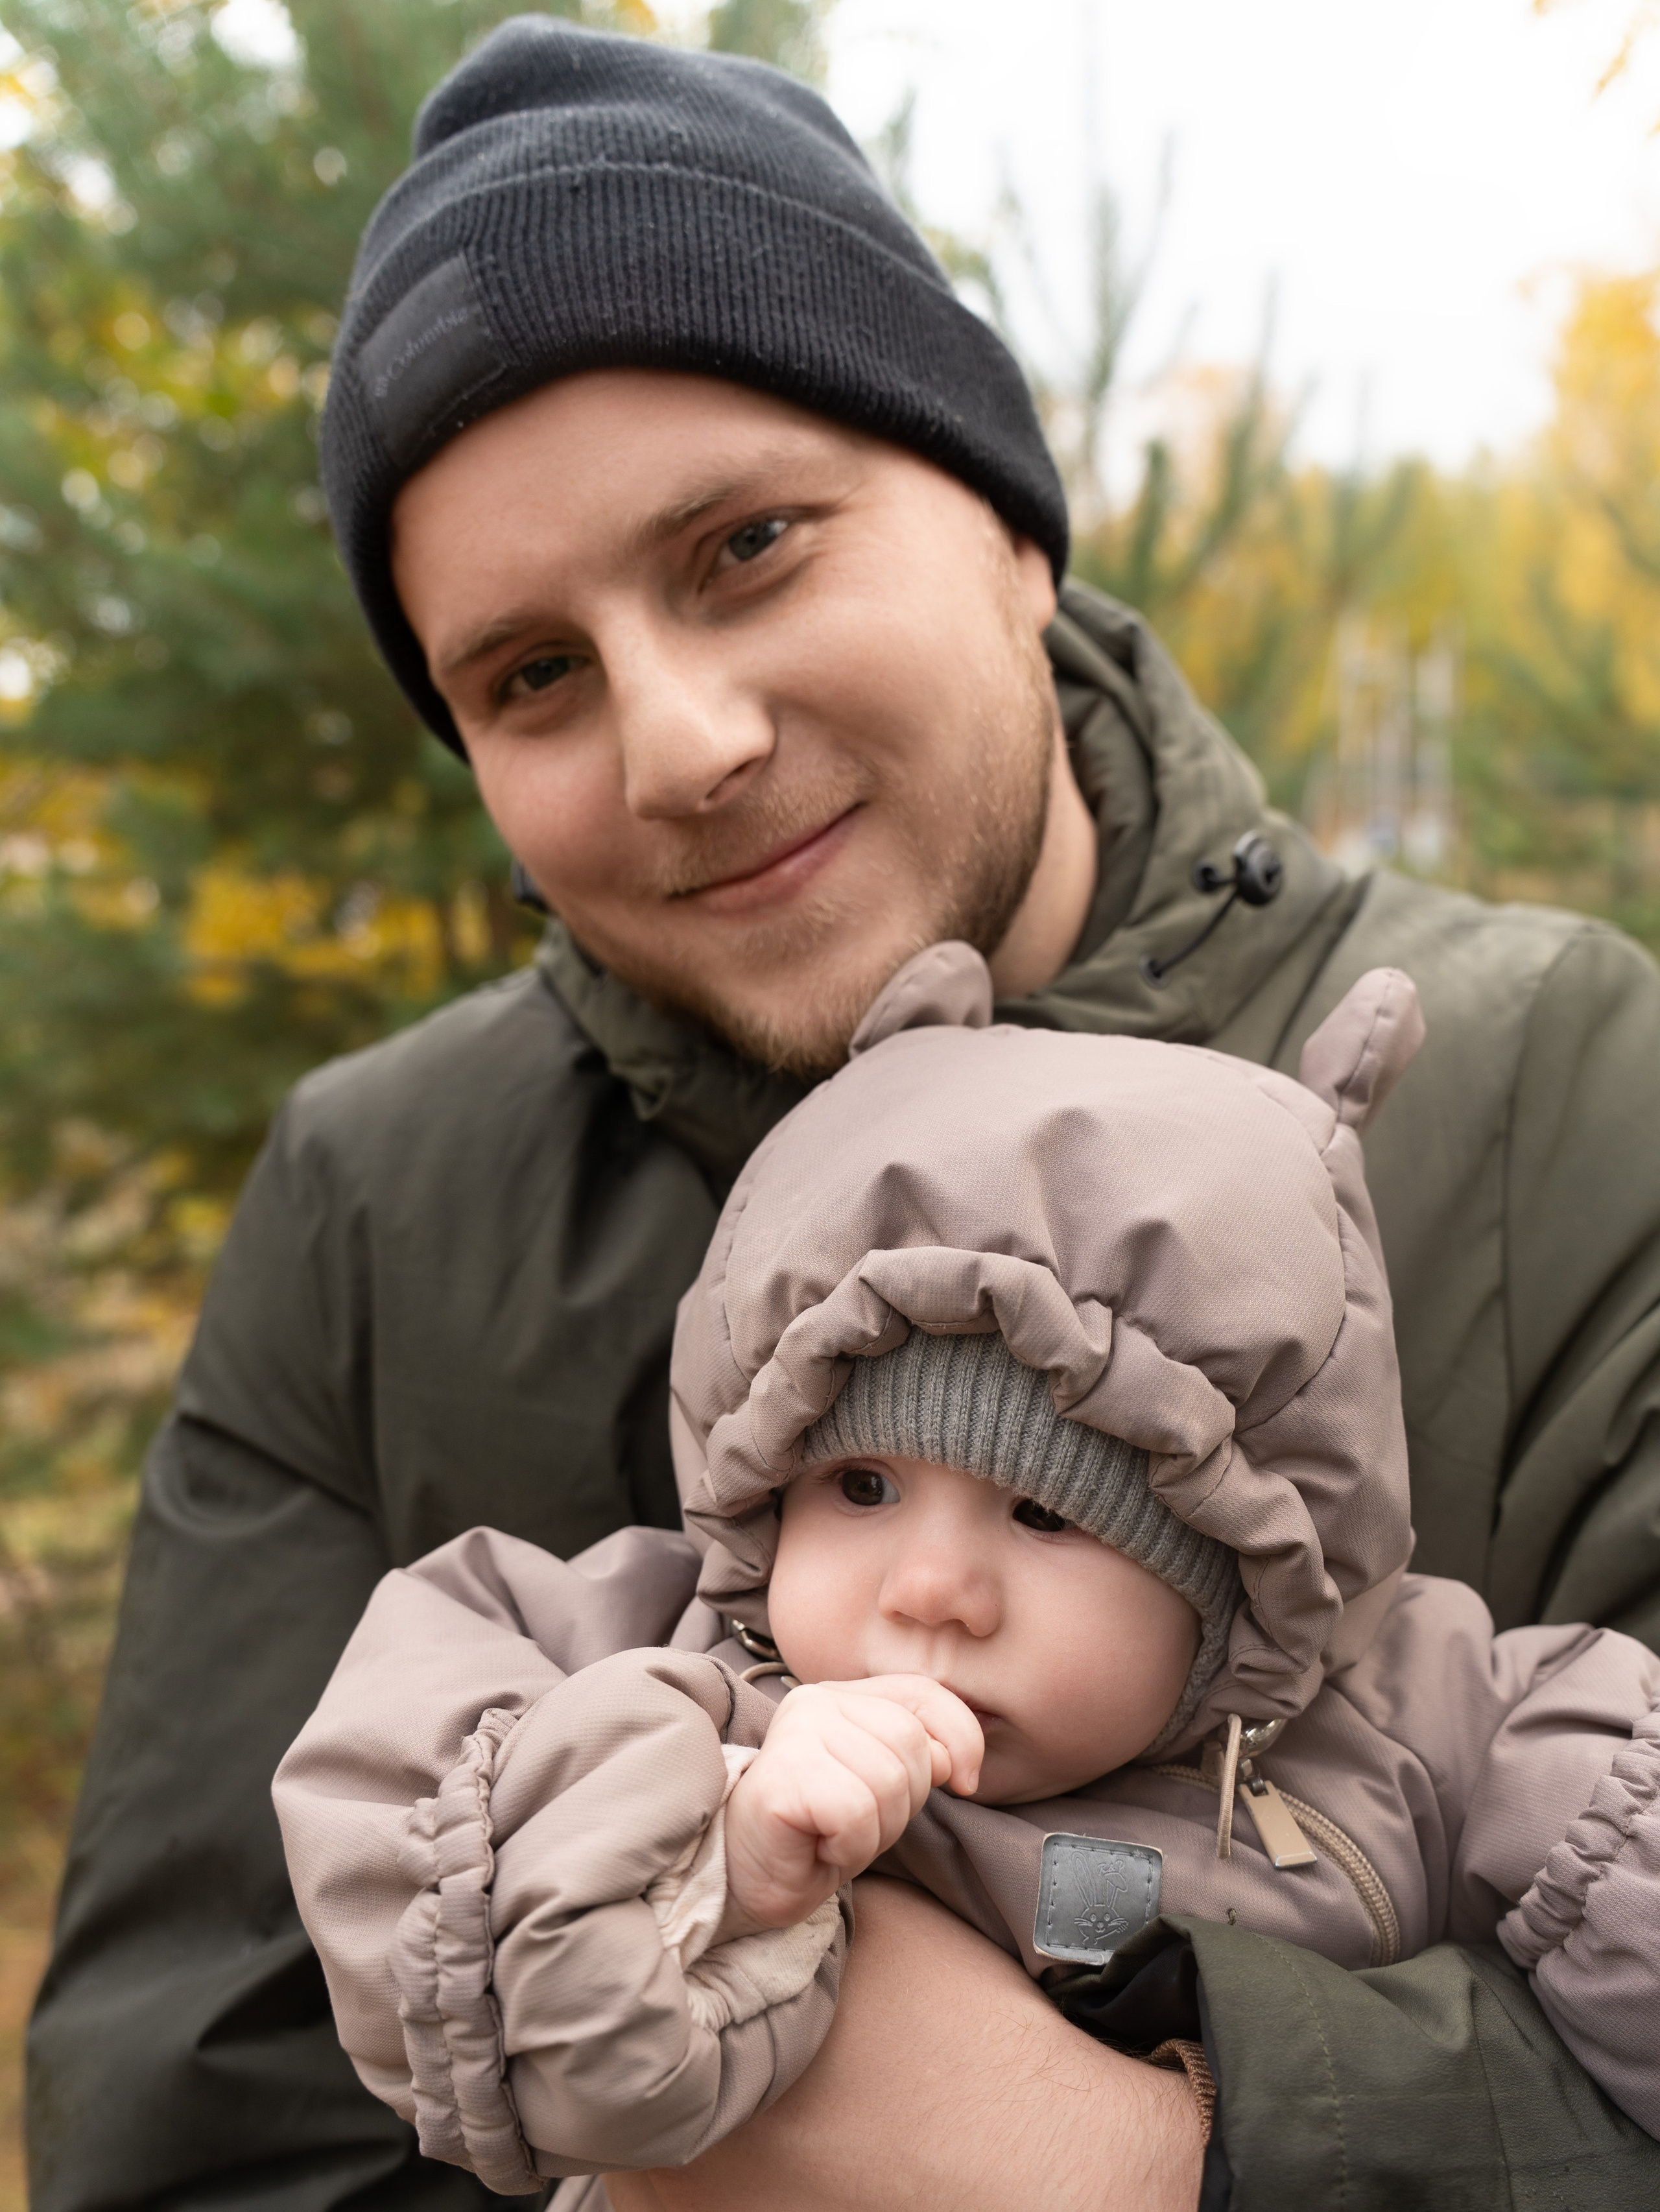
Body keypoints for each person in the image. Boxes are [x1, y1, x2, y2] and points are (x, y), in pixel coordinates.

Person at [25, 16, 1660, 2212]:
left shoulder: (1571, 1095)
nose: (680, 738)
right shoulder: (383, 1200)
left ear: (1002, 518)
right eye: (531, 675)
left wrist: (1140, 2149)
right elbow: (190, 2118)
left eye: (747, 548)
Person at [272, 951, 1660, 2209]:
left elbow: (1615, 1831)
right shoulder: (677, 1650)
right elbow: (459, 1894)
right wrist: (714, 1850)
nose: (930, 1586)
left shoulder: (1409, 1713)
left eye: (1046, 1512)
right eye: (859, 1488)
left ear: (1237, 1570)